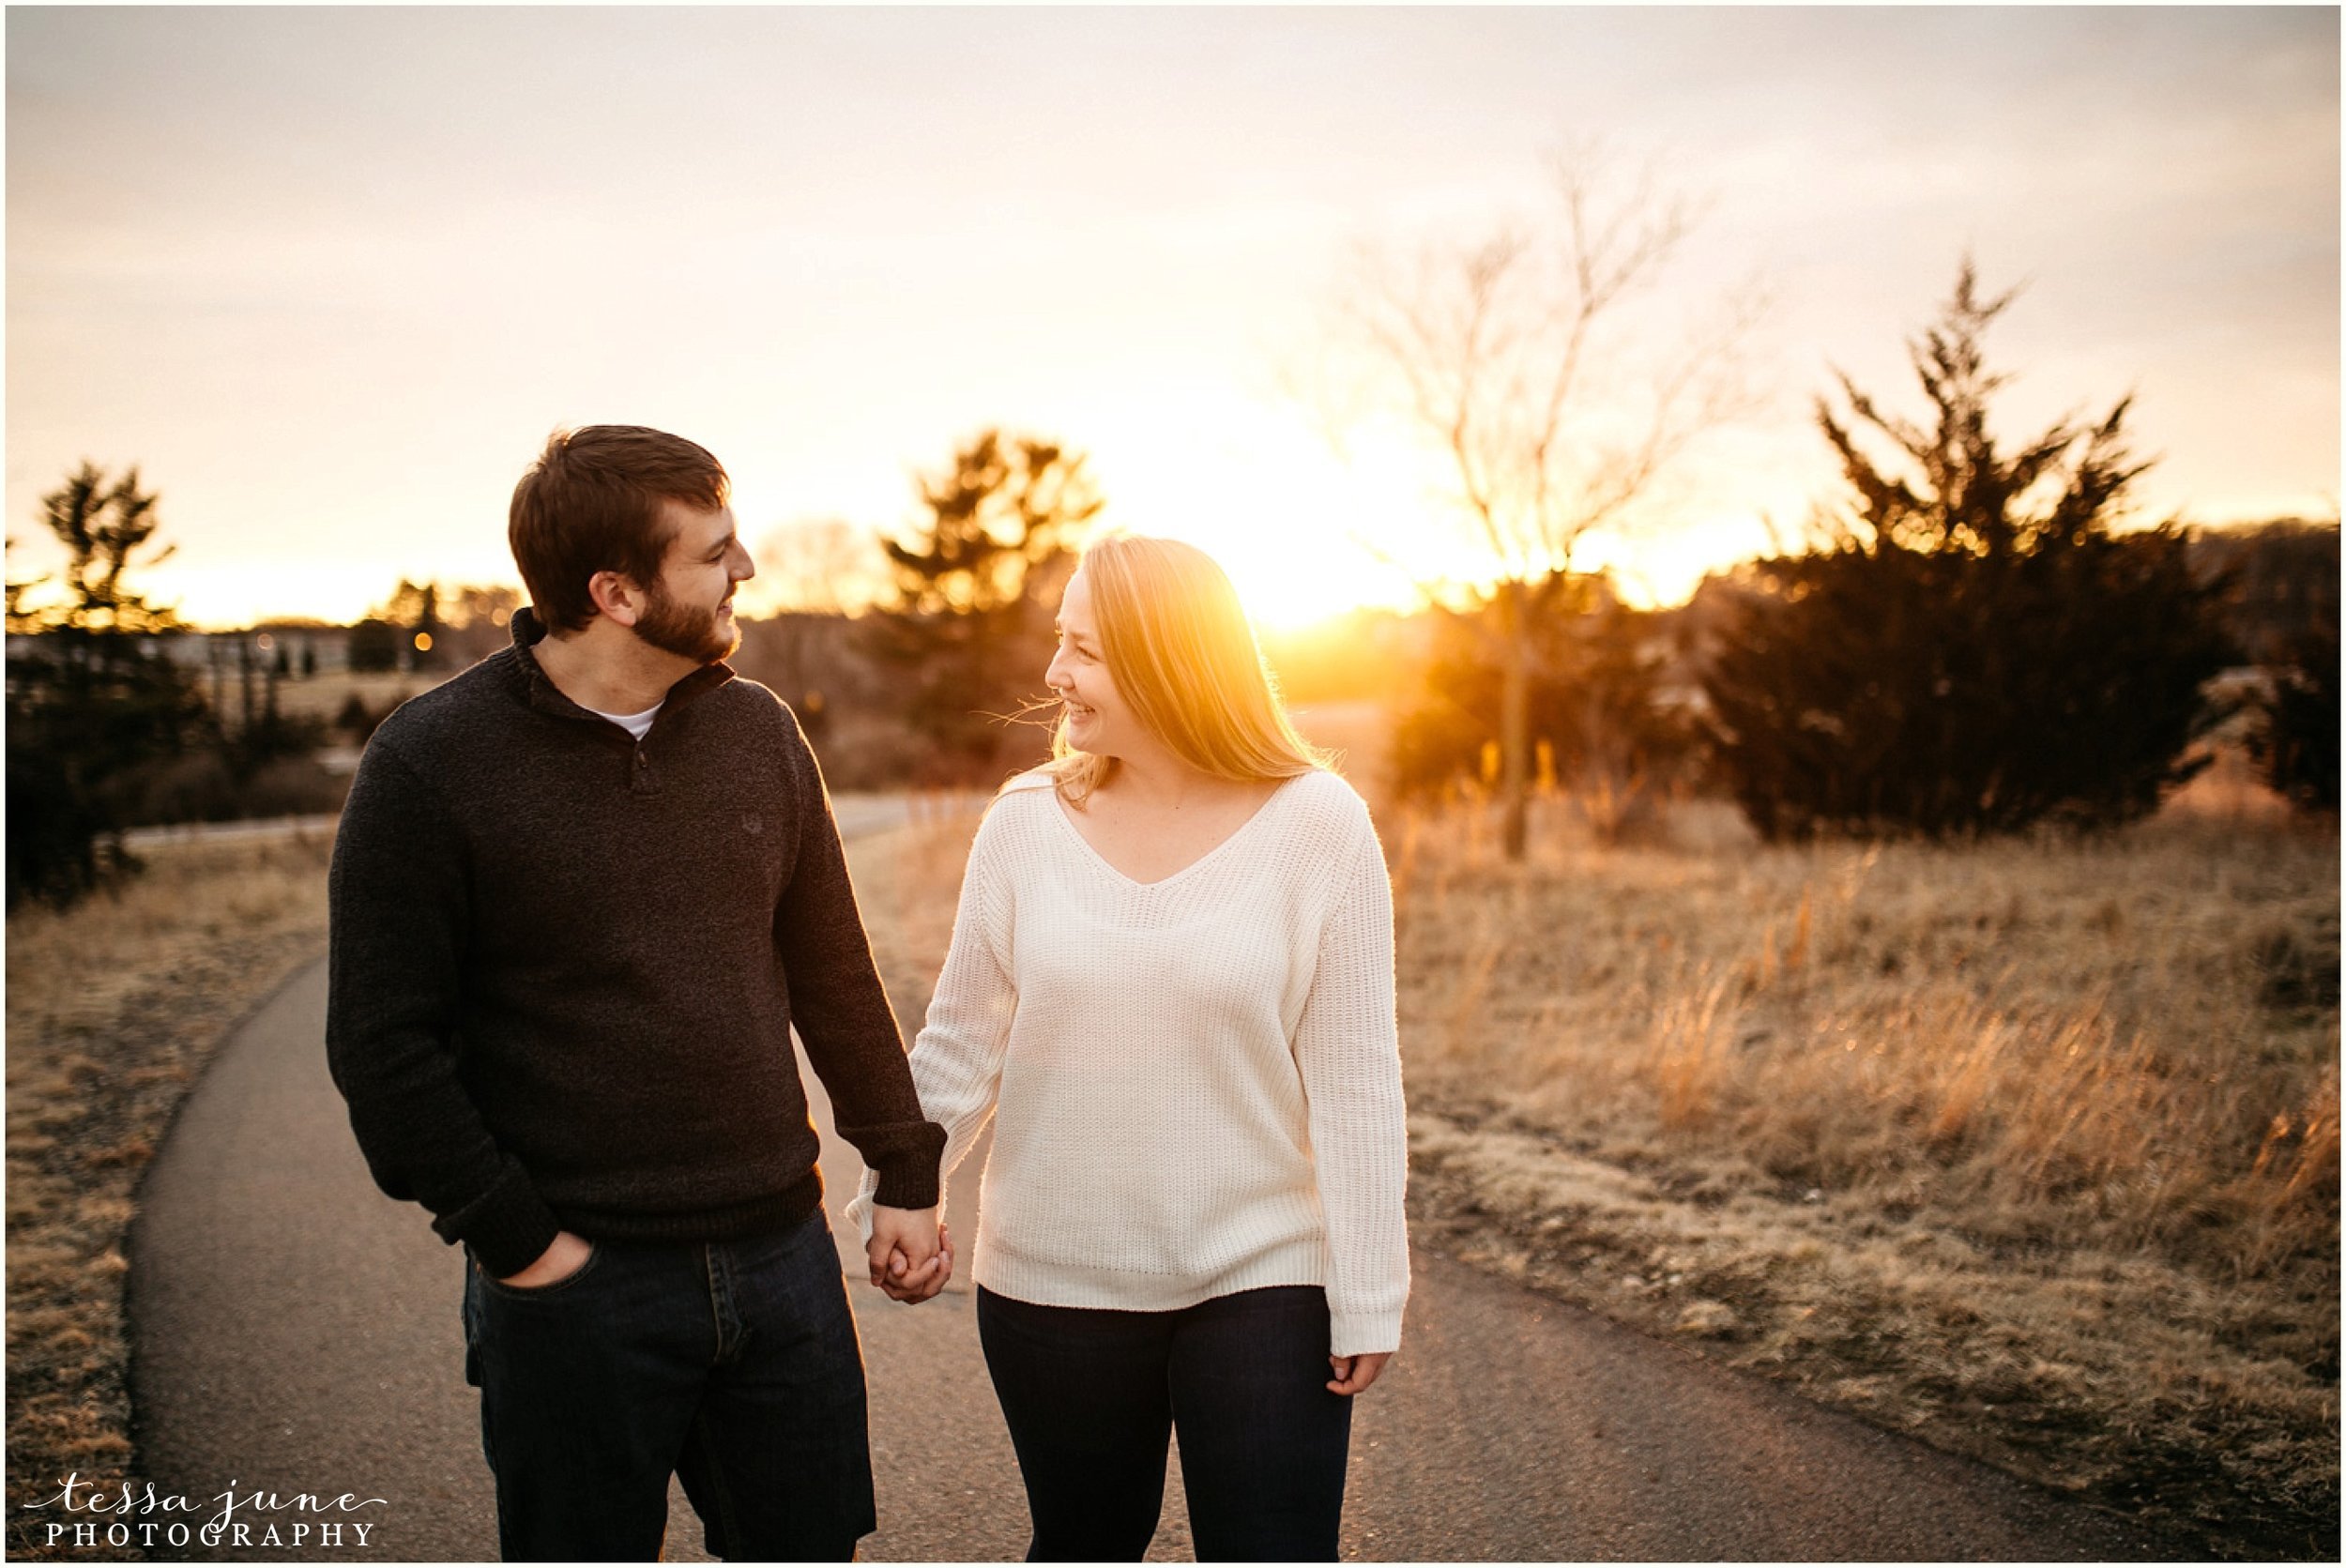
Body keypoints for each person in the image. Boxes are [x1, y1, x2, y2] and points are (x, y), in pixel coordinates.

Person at [326, 424, 951, 1562]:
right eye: (714, 553)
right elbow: (383, 1047)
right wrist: (522, 1245)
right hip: (577, 1284)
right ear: (615, 592)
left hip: (780, 1260)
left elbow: (833, 972)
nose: (746, 569)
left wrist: (904, 1167)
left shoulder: (758, 733)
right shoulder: (430, 764)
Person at [848, 534, 1409, 1561]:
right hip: (1055, 1277)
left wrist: (1371, 1283)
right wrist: (905, 1186)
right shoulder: (1024, 823)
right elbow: (964, 1036)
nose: (1055, 673)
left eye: (1085, 650)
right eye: (1061, 642)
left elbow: (1356, 1078)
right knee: (1085, 1541)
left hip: (1262, 1269)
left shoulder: (1318, 825)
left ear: (1170, 663)